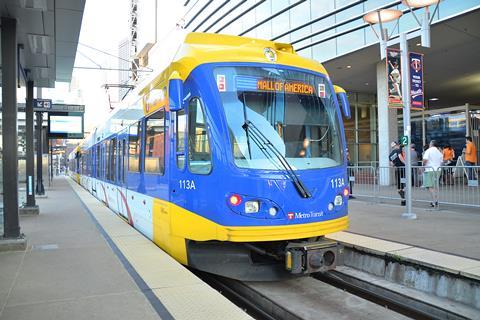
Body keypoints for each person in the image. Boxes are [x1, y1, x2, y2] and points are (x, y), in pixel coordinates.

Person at [423, 140, 443, 209]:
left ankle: (435, 201)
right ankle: (435, 200)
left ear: (431, 144)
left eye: (430, 143)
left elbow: (425, 160)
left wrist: (423, 166)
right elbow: (441, 161)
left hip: (430, 170)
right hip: (438, 170)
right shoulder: (439, 152)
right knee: (434, 186)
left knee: (429, 186)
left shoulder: (428, 150)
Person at [389, 141, 405, 206]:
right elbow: (400, 157)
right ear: (397, 145)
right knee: (404, 184)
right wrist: (406, 164)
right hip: (403, 169)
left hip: (397, 169)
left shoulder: (390, 155)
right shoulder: (398, 151)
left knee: (398, 187)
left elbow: (391, 164)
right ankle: (404, 199)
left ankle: (403, 199)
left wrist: (395, 163)